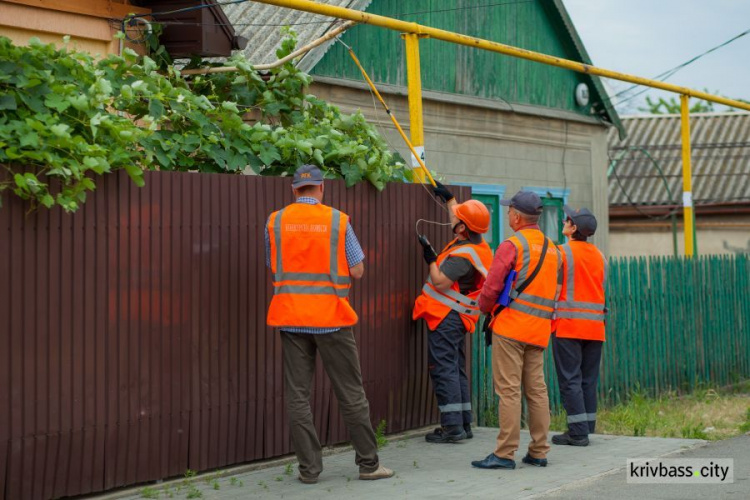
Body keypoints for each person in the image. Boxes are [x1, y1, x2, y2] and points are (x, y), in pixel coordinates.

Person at [265, 164, 394, 484]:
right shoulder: (337, 221)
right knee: (350, 392)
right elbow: (358, 270)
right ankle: (368, 465)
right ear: (321, 189)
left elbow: (273, 263)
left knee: (298, 395)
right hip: (331, 318)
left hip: (292, 316)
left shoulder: (276, 221)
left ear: (294, 190)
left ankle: (309, 470)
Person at [471, 190, 562, 470]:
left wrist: (483, 307)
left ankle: (504, 453)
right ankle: (538, 451)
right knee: (536, 391)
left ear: (518, 217)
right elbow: (556, 291)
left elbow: (493, 287)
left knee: (508, 391)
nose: (508, 214)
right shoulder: (553, 249)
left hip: (511, 329)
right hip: (538, 331)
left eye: (509, 210)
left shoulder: (512, 245)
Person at [413, 181, 494, 443]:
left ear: (464, 229)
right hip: (456, 318)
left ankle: (452, 429)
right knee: (456, 368)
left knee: (444, 369)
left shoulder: (463, 257)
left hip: (444, 317)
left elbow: (439, 282)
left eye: (458, 220)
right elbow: (460, 219)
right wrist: (450, 200)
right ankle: (464, 424)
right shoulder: (477, 246)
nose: (454, 221)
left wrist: (430, 257)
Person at [551, 206, 607, 447]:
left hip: (569, 325)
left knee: (570, 379)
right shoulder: (600, 256)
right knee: (588, 379)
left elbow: (553, 289)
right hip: (595, 327)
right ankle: (587, 426)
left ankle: (577, 432)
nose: (564, 221)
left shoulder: (561, 253)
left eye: (567, 220)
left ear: (573, 228)